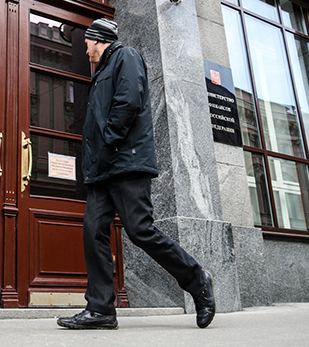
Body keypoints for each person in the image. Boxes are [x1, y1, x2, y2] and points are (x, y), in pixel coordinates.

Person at [57, 18, 216, 330]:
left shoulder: (125, 56)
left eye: (87, 44)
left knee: (140, 230)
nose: (86, 51)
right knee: (93, 231)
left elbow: (128, 102)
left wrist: (109, 141)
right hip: (104, 168)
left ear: (97, 39)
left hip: (125, 162)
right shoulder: (102, 70)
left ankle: (197, 279)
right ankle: (101, 310)